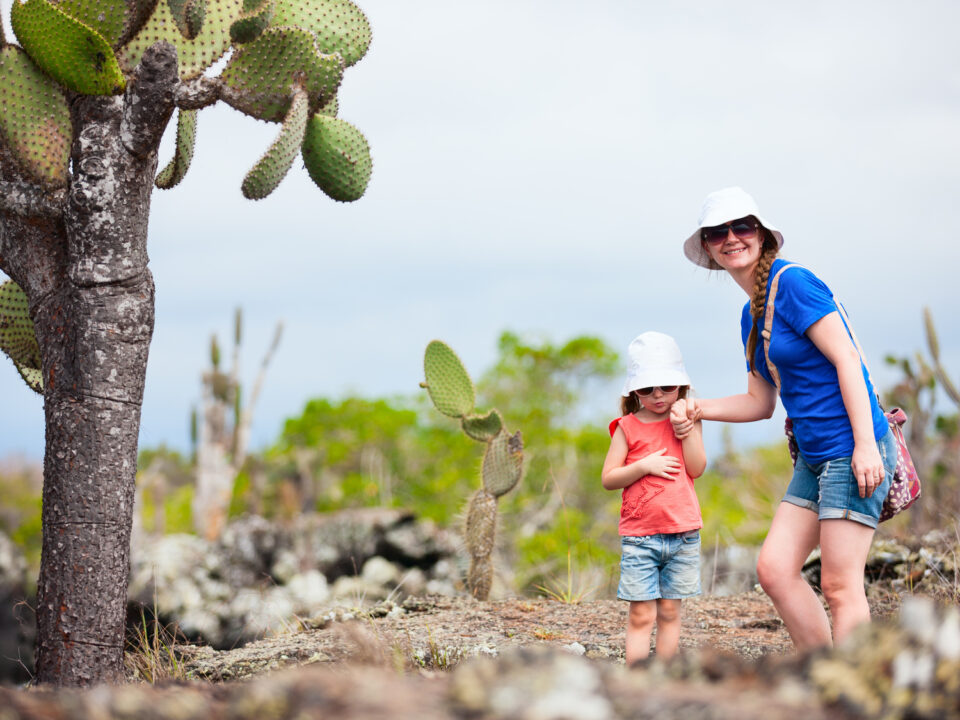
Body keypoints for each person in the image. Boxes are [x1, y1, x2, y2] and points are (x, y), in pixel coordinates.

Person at [672, 186, 896, 651]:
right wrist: (699, 408)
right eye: (718, 232)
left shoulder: (794, 282)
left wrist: (866, 446)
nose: (731, 238)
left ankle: (856, 691)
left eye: (742, 227)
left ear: (762, 235)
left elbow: (847, 360)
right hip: (814, 459)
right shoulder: (750, 316)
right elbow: (761, 402)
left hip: (850, 448)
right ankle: (820, 672)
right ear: (710, 248)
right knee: (774, 569)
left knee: (840, 585)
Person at [601, 331, 706, 664]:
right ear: (635, 391)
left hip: (683, 534)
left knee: (671, 611)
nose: (658, 395)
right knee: (641, 614)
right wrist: (644, 466)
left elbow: (697, 467)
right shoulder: (626, 427)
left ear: (681, 386)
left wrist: (685, 430)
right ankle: (636, 676)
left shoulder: (689, 420)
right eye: (647, 389)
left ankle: (663, 676)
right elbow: (608, 478)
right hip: (640, 538)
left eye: (667, 386)